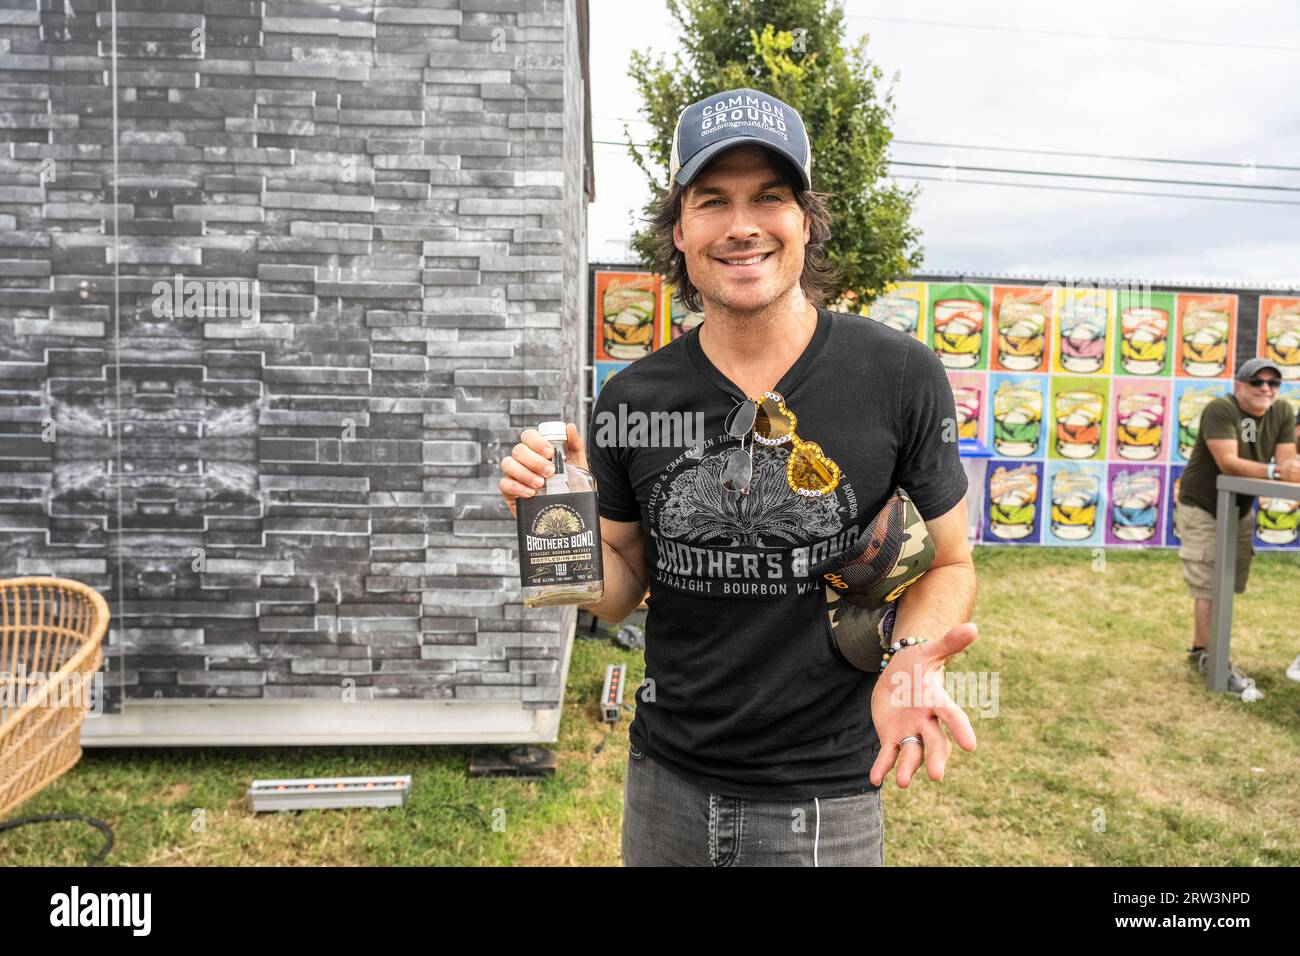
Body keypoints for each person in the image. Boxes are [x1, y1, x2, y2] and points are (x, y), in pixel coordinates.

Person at [499, 88, 978, 866]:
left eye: (770, 197)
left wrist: (911, 656)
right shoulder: (634, 398)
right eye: (713, 200)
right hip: (667, 782)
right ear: (680, 230)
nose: (742, 225)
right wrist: (559, 522)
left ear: (805, 221)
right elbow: (620, 589)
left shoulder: (899, 376)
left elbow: (950, 563)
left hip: (828, 789)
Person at [1174, 356, 1299, 697]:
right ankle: (1211, 659)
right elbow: (1228, 463)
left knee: (1226, 585)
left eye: (1273, 383)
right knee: (1210, 583)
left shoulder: (1281, 412)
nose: (1265, 389)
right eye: (1257, 382)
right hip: (1204, 506)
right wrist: (1277, 472)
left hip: (1239, 508)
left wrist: (1289, 470)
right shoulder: (1221, 409)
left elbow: (1287, 458)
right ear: (1238, 385)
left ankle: (1202, 651)